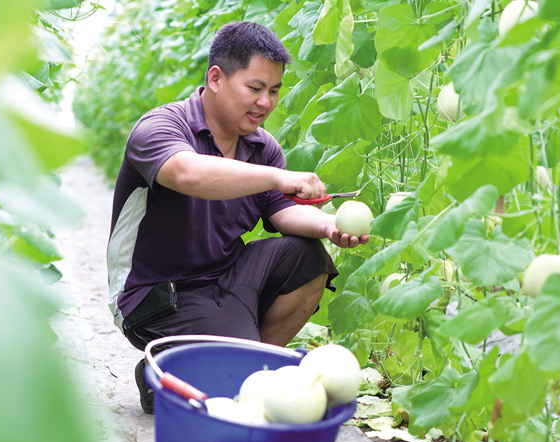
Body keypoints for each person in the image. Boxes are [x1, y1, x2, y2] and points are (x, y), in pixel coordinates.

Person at [106, 21, 369, 414]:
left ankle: (245, 373)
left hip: (225, 280)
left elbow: (282, 213)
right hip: (156, 295)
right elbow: (187, 174)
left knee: (307, 257)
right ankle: (161, 371)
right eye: (255, 88)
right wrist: (278, 176)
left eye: (275, 90)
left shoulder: (262, 147)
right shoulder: (161, 127)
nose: (266, 102)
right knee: (234, 377)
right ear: (216, 78)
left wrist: (329, 227)